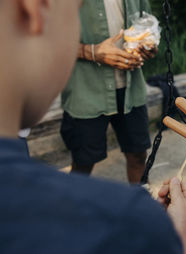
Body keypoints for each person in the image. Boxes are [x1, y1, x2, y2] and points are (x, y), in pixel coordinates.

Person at [0, 1, 186, 254]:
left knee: (137, 152)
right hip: (88, 97)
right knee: (85, 157)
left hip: (130, 92)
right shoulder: (132, 222)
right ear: (36, 9)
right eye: (74, 12)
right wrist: (181, 247)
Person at [60, 0, 158, 184]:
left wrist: (148, 45)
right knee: (83, 163)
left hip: (131, 89)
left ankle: (140, 210)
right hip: (86, 90)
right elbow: (49, 41)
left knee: (138, 156)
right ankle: (72, 211)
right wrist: (92, 52)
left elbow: (147, 22)